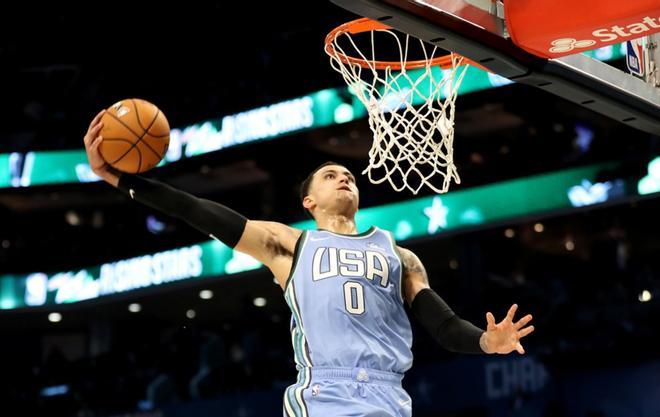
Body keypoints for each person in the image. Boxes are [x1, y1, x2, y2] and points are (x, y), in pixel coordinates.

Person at [84, 110, 535, 417]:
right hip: (325, 392)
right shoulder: (290, 244)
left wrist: (486, 342)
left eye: (349, 175)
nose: (344, 177)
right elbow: (203, 213)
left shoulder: (400, 256)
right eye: (330, 175)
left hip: (388, 395)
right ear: (309, 200)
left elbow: (444, 325)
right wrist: (129, 183)